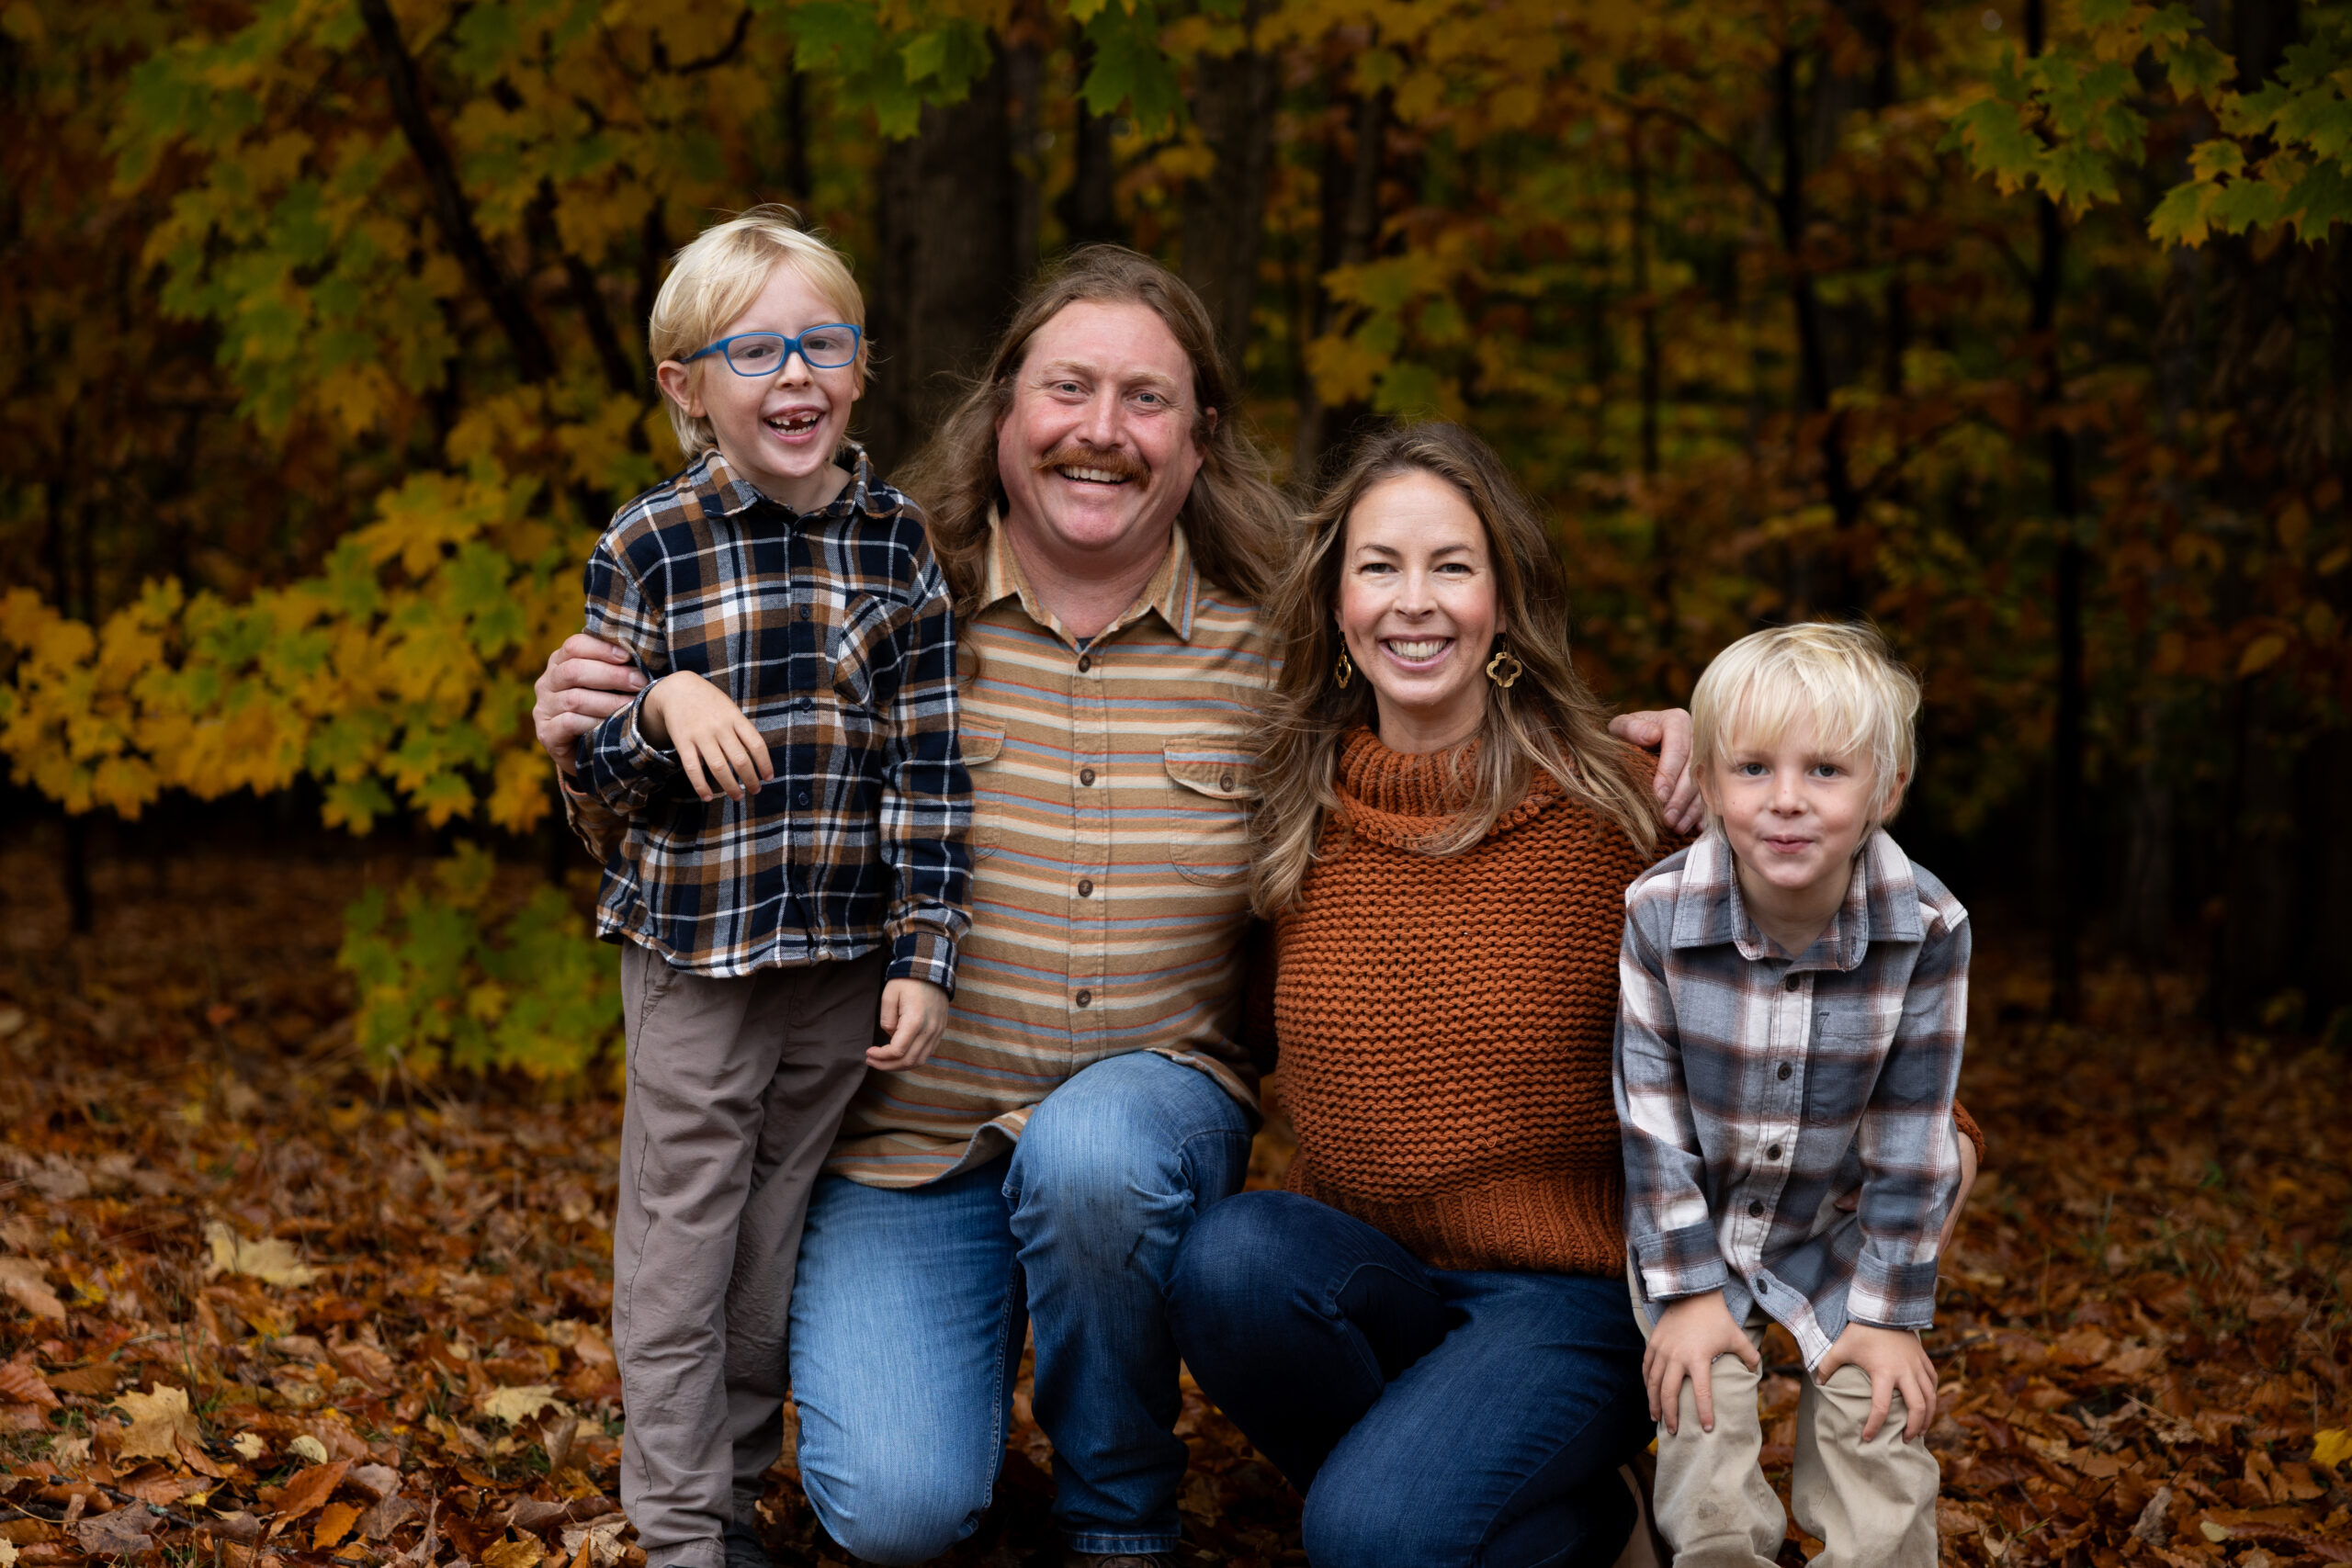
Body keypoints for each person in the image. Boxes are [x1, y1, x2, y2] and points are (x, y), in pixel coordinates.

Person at [534, 249, 1702, 1568]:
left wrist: (1682, 758)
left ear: (1199, 440)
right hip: (910, 1135)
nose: (1101, 428)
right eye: (1069, 387)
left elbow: (1448, 745)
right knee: (898, 1511)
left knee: (1092, 1153)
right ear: (1004, 412)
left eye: (1146, 398)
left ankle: (1119, 1519)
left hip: (1145, 1123)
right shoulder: (876, 589)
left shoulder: (1284, 654)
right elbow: (696, 785)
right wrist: (587, 736)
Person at [1165, 423, 1681, 1567]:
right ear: (1336, 602)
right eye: (1379, 566)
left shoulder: (1623, 807)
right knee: (1228, 1257)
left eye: (1451, 565)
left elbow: (1799, 962)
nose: (1416, 602)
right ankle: (1546, 1515)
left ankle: (1555, 1508)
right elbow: (1213, 1010)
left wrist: (1921, 1132)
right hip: (1369, 1288)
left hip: (1569, 1301)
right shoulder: (1295, 813)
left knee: (1366, 1535)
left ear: (1503, 597)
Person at [563, 207, 969, 1568]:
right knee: (679, 1252)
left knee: (766, 1250)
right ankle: (681, 1533)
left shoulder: (898, 543)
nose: (794, 375)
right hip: (698, 959)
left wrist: (927, 948)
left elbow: (927, 764)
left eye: (823, 341)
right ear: (689, 387)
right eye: (756, 350)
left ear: (860, 362)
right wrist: (663, 702)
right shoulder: (648, 547)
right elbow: (603, 785)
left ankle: (729, 1498)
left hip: (841, 965)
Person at [1613, 622, 1969, 1568]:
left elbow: (1912, 1135)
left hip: (1839, 1229)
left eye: (1824, 772)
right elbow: (1650, 1125)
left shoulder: (1928, 927)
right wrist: (1686, 1292)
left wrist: (1889, 1313)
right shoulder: (1657, 914)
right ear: (1713, 786)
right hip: (1693, 1223)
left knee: (1875, 1423)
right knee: (1702, 1409)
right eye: (1752, 769)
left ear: (1884, 791)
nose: (1784, 802)